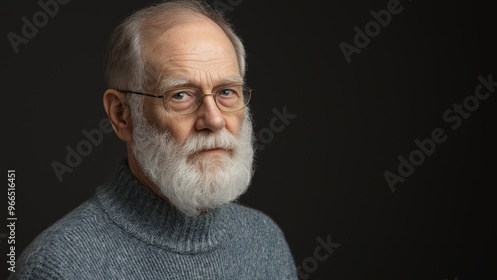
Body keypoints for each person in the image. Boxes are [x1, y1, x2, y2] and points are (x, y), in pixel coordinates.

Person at [9, 0, 298, 279]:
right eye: (181, 95)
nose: (214, 119)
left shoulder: (265, 240)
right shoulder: (58, 267)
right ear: (122, 115)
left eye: (226, 92)